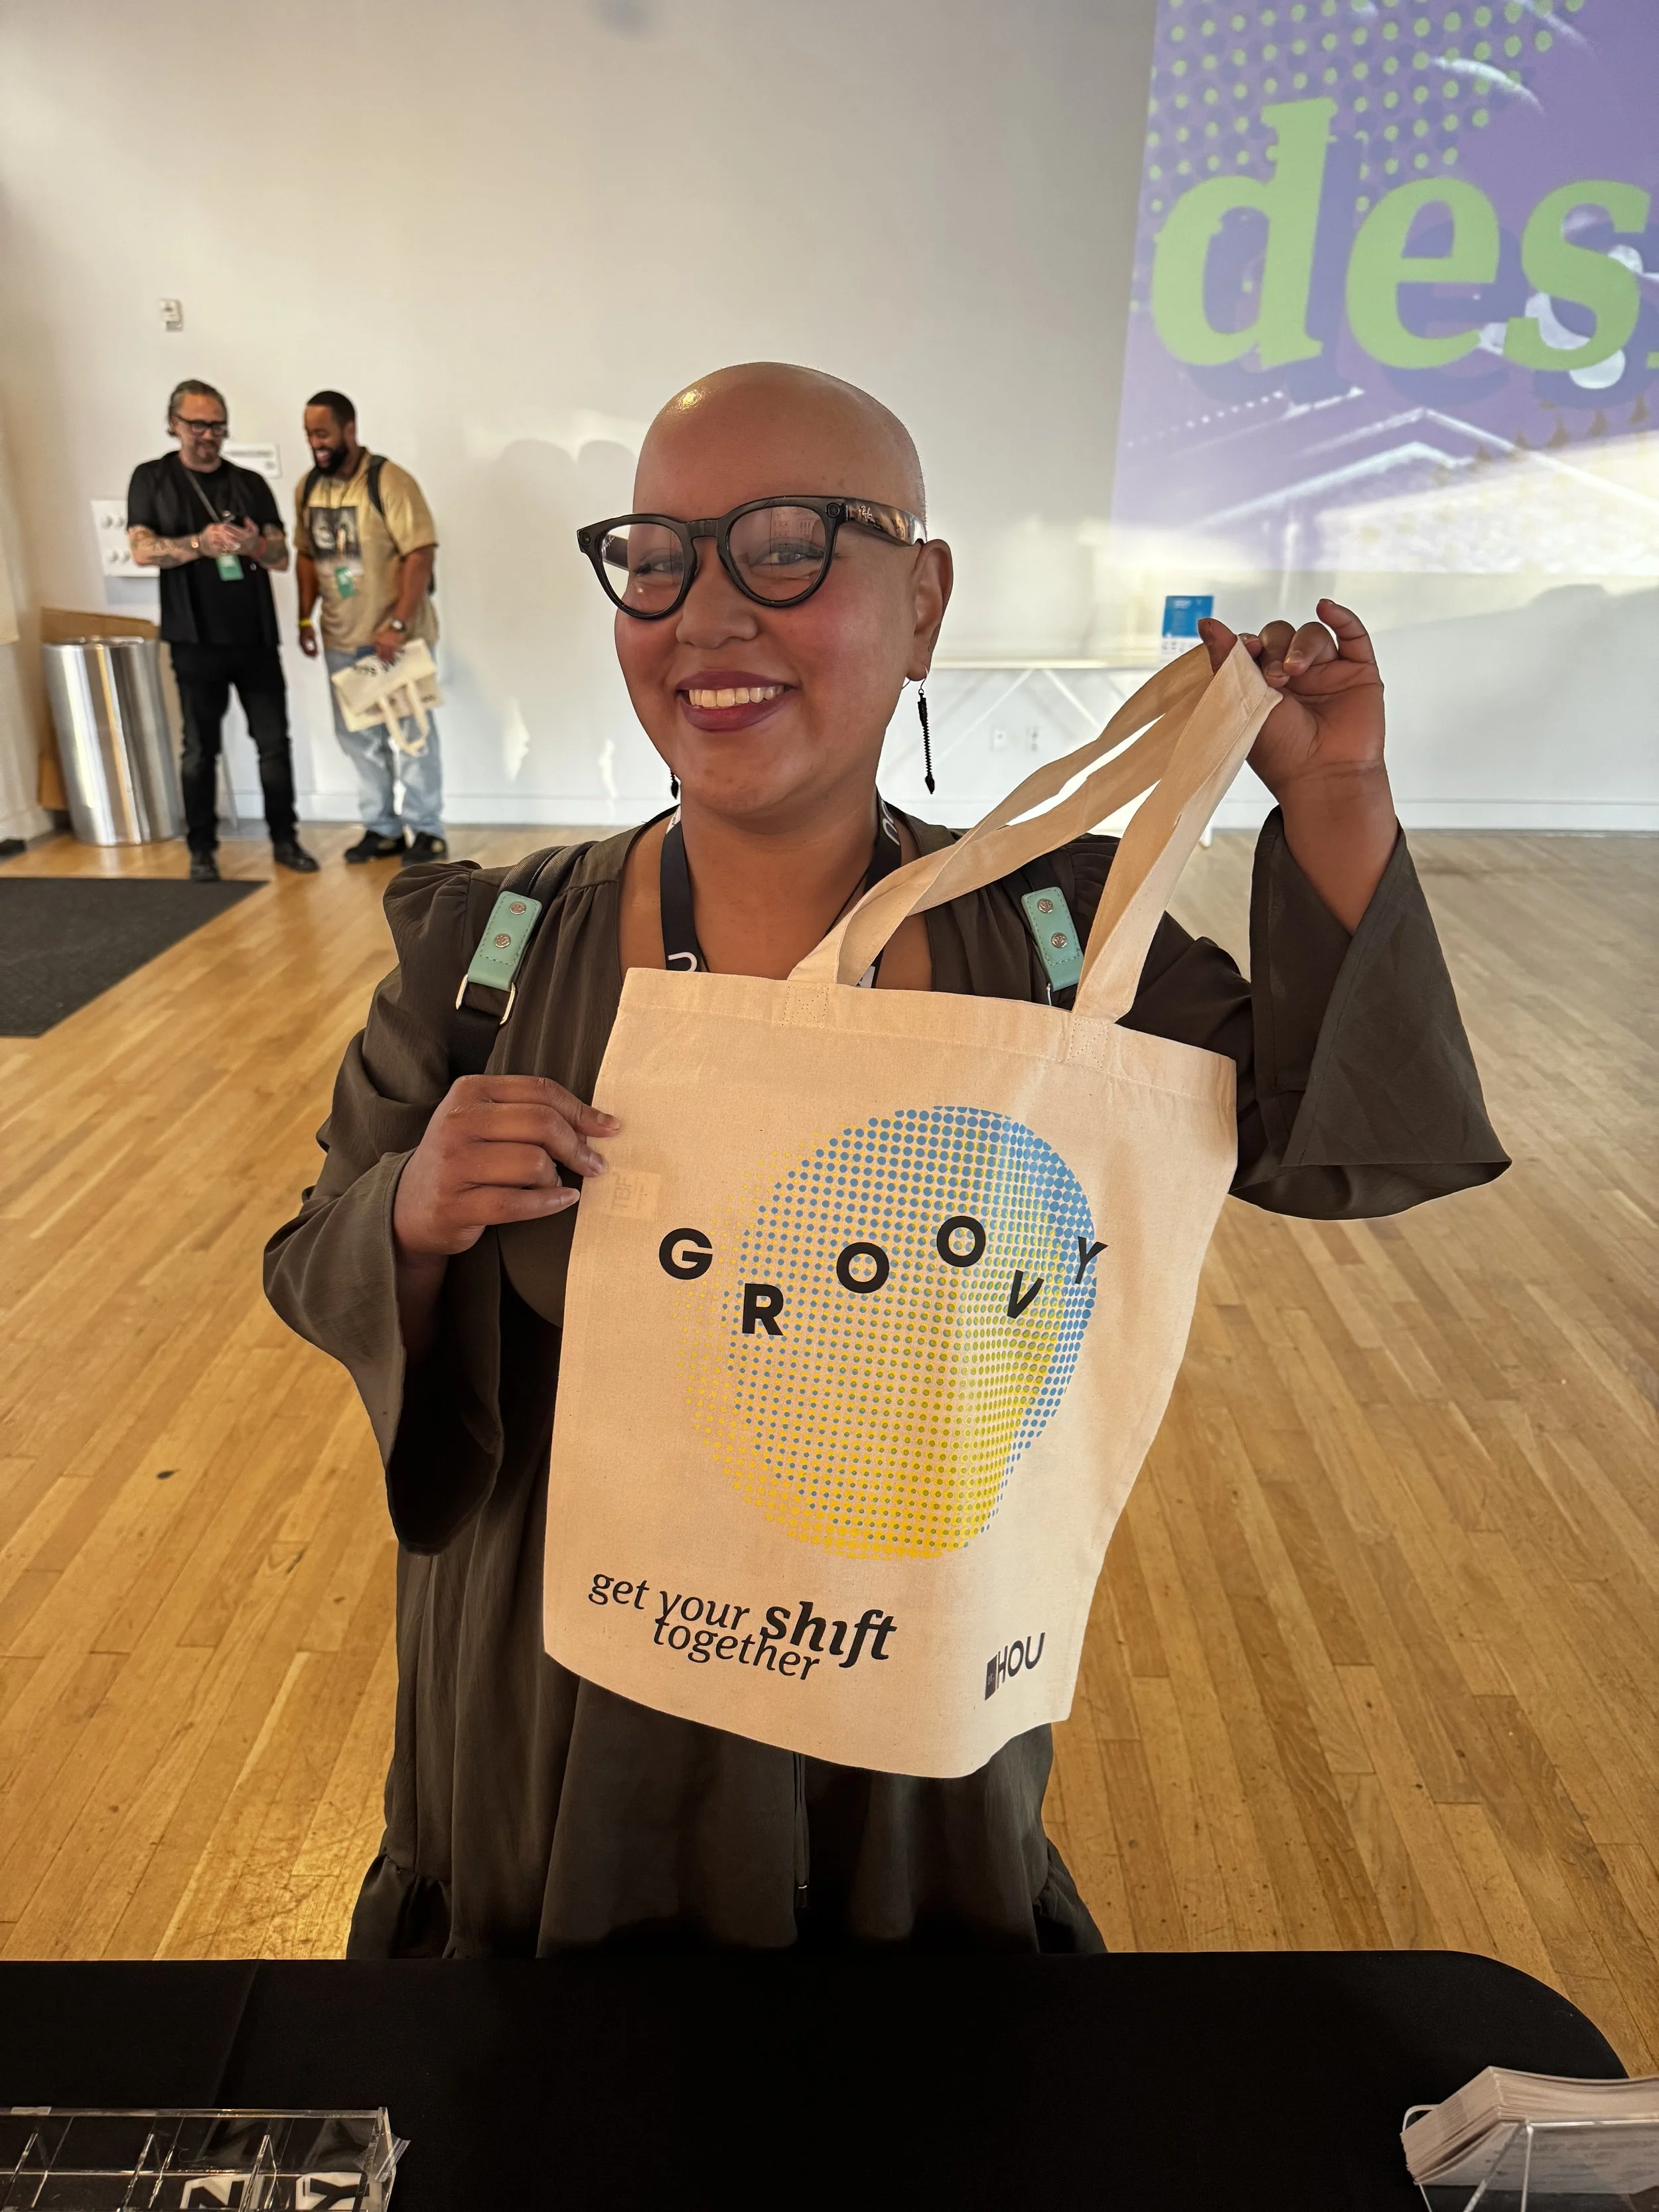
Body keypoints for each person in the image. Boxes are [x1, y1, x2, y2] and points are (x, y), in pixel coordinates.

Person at [266, 363, 1508, 1958]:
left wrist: (1333, 794)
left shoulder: (1056, 939)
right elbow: (317, 1253)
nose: (706, 611)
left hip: (899, 1708)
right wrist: (418, 1213)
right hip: (561, 1719)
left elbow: (1357, 1150)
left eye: (786, 545)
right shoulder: (487, 952)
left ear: (923, 605)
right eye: (657, 556)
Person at [127, 380, 319, 881]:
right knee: (199, 750)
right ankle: (201, 849)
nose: (208, 434)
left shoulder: (249, 483)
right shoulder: (152, 480)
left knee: (274, 743)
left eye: (216, 425)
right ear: (174, 424)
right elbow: (142, 550)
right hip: (194, 638)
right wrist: (200, 542)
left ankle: (285, 838)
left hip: (254, 635)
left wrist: (255, 545)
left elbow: (280, 557)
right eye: (197, 424)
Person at [294, 391, 447, 867]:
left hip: (395, 641)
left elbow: (420, 553)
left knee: (412, 735)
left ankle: (427, 830)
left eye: (322, 433)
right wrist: (305, 616)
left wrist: (398, 623)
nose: (315, 444)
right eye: (308, 435)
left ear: (349, 429)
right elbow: (305, 554)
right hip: (344, 638)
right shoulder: (308, 488)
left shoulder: (389, 481)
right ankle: (381, 828)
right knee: (360, 740)